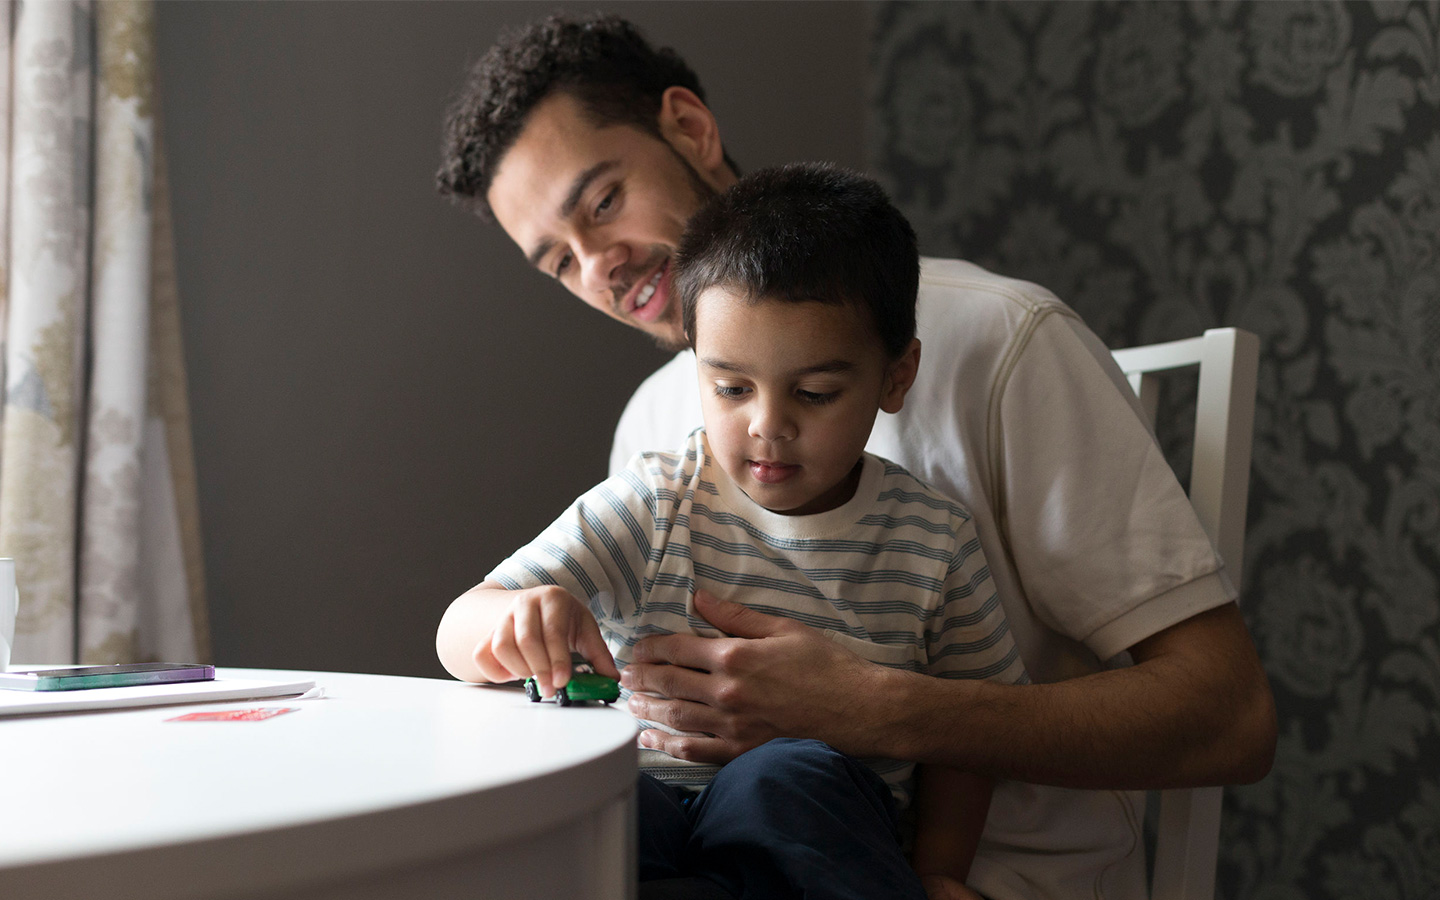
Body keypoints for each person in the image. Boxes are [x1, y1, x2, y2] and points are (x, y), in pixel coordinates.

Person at [435, 13, 1277, 900]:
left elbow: (1232, 719)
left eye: (601, 204)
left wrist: (879, 710)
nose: (598, 266)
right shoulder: (655, 422)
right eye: (558, 261)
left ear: (688, 126)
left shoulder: (1002, 342)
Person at [437, 163, 1027, 900]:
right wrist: (516, 616)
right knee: (581, 809)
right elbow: (458, 629)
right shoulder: (658, 499)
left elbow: (966, 745)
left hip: (808, 833)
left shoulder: (932, 540)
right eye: (731, 388)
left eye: (814, 393)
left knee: (784, 780)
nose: (768, 426)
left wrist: (939, 872)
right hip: (649, 806)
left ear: (894, 377)